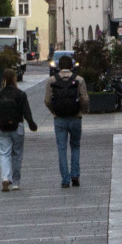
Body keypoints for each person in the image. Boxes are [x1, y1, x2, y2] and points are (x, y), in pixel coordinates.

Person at [44, 55, 88, 188]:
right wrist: (83, 111)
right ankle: (75, 175)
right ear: (71, 66)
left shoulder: (52, 80)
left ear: (58, 66)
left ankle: (65, 179)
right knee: (75, 146)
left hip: (59, 119)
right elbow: (85, 99)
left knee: (61, 149)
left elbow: (47, 100)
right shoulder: (79, 80)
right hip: (75, 117)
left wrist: (54, 112)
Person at [0, 68, 37, 192]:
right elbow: (26, 112)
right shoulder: (20, 94)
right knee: (17, 154)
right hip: (17, 127)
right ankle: (16, 182)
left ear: (4, 79)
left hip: (2, 128)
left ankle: (5, 178)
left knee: (4, 153)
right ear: (15, 79)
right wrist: (32, 124)